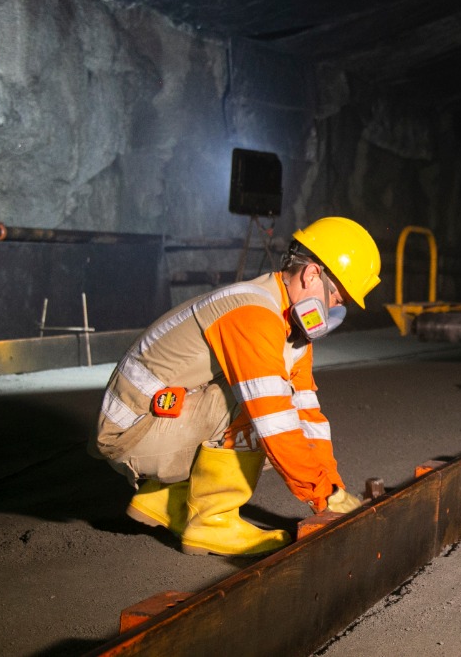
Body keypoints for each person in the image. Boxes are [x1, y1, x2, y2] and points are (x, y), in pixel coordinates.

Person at [90, 216, 382, 557]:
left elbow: (308, 414)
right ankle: (212, 522)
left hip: (162, 418)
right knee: (261, 410)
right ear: (312, 274)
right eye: (337, 298)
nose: (334, 310)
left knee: (281, 413)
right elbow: (276, 421)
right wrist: (323, 497)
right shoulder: (254, 314)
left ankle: (169, 499)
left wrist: (332, 485)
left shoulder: (290, 328)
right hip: (134, 432)